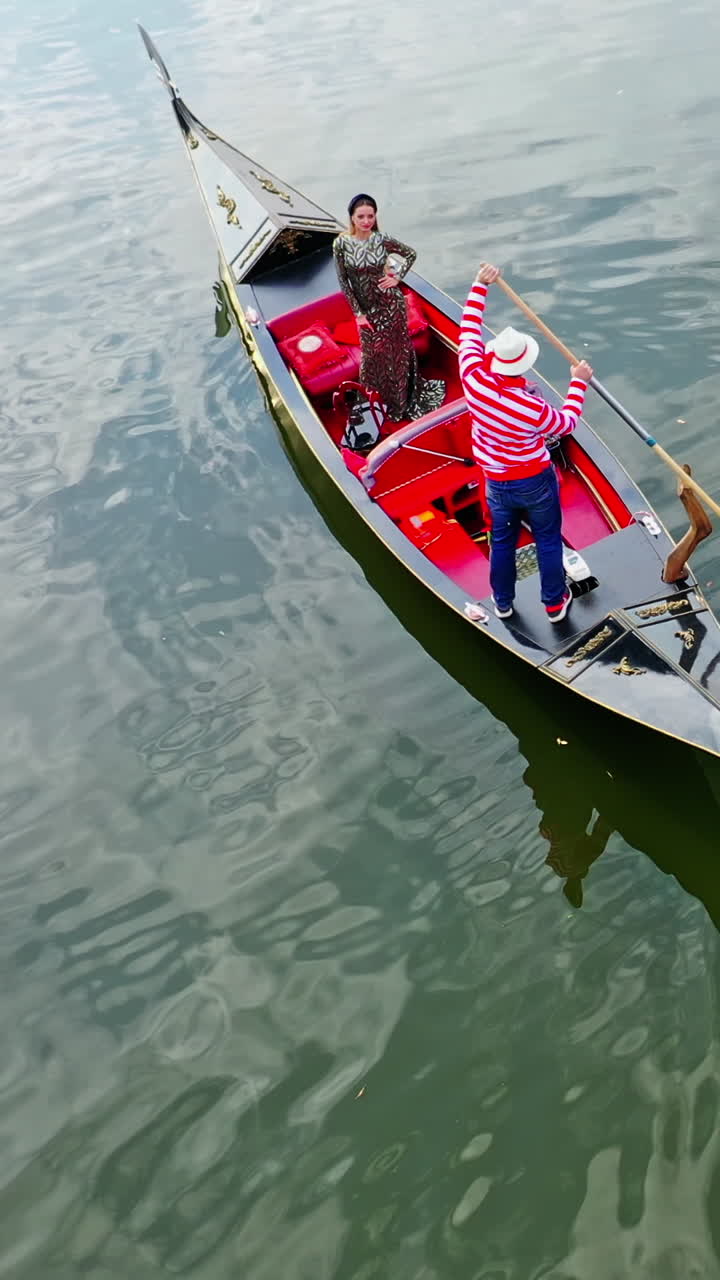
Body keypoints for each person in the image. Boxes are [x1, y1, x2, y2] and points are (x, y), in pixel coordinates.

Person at [459, 263, 593, 623]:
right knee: (549, 538)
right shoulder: (531, 407)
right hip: (534, 480)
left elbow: (468, 330)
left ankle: (502, 603)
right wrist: (578, 381)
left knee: (501, 542)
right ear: (521, 366)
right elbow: (566, 423)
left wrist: (479, 285)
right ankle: (553, 604)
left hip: (497, 483)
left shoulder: (471, 375)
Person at [333, 194, 445, 422]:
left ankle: (402, 402)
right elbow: (344, 281)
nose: (366, 221)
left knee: (398, 355)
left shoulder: (382, 239)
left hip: (391, 305)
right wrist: (358, 313)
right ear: (352, 218)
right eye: (361, 217)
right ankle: (374, 402)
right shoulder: (341, 243)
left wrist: (395, 277)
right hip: (366, 310)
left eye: (370, 216)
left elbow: (410, 254)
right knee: (372, 358)